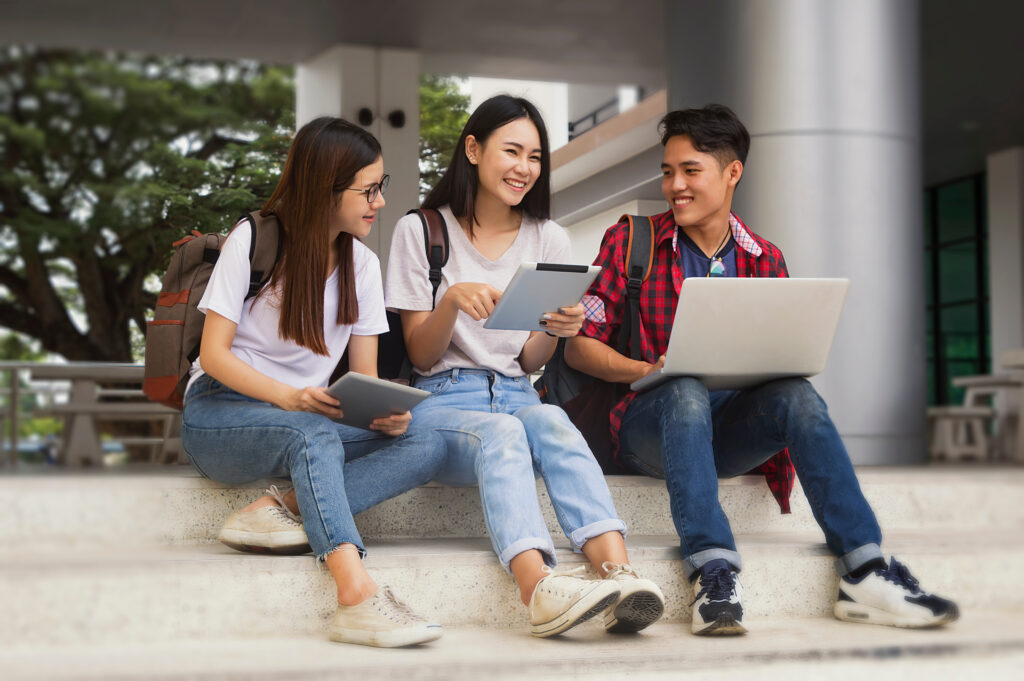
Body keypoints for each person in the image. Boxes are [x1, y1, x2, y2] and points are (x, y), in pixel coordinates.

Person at [565, 104, 960, 635]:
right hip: (647, 427)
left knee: (796, 394)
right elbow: (578, 348)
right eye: (667, 172)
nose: (675, 185)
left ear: (732, 173)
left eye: (690, 171)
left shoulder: (764, 260)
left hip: (728, 433)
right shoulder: (631, 241)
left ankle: (863, 570)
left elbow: (782, 367)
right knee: (682, 387)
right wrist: (651, 368)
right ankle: (713, 571)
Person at [385, 95, 665, 638]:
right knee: (504, 436)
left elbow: (530, 359)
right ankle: (537, 588)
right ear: (473, 148)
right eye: (512, 151)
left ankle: (617, 572)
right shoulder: (420, 232)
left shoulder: (548, 237)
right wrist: (450, 302)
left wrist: (555, 331)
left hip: (517, 392)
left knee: (554, 421)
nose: (525, 169)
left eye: (535, 157)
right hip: (443, 401)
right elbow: (420, 355)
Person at [181, 117, 446, 648]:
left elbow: (365, 380)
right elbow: (213, 356)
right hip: (220, 412)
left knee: (427, 440)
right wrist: (291, 398)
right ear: (325, 189)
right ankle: (355, 595)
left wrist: (383, 413)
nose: (380, 201)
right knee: (312, 434)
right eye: (368, 190)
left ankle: (280, 510)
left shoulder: (363, 266)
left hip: (306, 416)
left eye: (382, 187)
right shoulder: (254, 238)